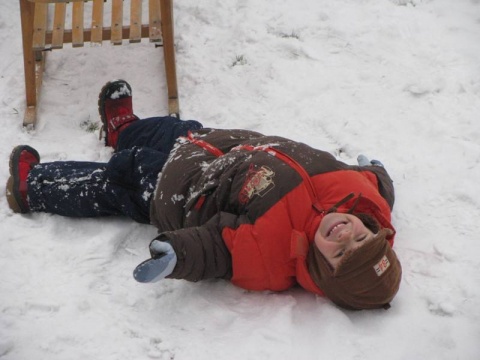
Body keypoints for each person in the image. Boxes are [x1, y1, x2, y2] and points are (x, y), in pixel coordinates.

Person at [6, 80, 402, 310]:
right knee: (169, 130)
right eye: (362, 238)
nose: (346, 235)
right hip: (215, 146)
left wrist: (177, 256)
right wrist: (377, 168)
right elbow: (378, 183)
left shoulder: (275, 254)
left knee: (122, 178)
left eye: (341, 253)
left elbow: (219, 249)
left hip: (178, 192)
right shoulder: (365, 198)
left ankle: (33, 187)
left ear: (320, 271)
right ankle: (122, 129)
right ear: (374, 228)